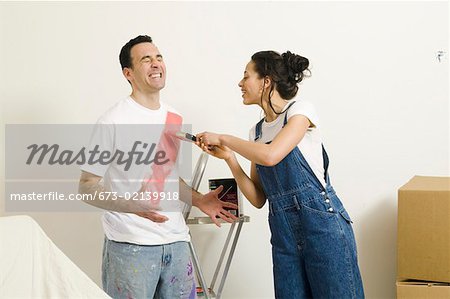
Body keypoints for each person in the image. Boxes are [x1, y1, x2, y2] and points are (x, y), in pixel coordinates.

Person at [78, 35, 237, 299]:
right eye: (146, 59)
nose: (156, 64)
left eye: (159, 57)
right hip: (131, 246)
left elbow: (167, 177)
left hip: (176, 243)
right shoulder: (113, 120)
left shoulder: (173, 117)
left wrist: (198, 200)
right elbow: (87, 187)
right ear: (128, 73)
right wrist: (132, 206)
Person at [196, 50, 365, 298]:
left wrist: (224, 138)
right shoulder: (257, 132)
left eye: (246, 76)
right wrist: (230, 159)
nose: (240, 83)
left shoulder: (300, 112)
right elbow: (258, 198)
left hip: (322, 226)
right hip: (283, 232)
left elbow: (271, 155)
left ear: (266, 81)